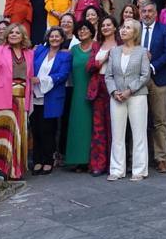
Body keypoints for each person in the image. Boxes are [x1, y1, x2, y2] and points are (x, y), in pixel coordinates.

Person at [0, 23, 33, 180]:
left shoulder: (29, 53)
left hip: (22, 99)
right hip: (2, 96)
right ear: (7, 35)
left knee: (17, 134)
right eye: (11, 32)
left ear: (23, 36)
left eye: (17, 32)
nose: (14, 35)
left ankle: (14, 170)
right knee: (1, 133)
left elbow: (30, 77)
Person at [105, 19, 152, 181]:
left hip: (137, 96)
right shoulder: (114, 51)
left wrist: (129, 90)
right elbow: (108, 75)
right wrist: (114, 91)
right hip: (116, 97)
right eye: (123, 27)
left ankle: (139, 170)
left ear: (135, 33)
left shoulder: (142, 51)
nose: (123, 30)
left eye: (128, 28)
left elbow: (145, 75)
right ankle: (117, 169)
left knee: (139, 134)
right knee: (117, 134)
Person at [138, 1, 166, 173]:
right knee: (138, 120)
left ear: (156, 13)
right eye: (144, 11)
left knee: (160, 120)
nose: (147, 14)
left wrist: (152, 66)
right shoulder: (135, 29)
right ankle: (138, 157)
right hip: (137, 81)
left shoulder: (164, 30)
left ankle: (160, 158)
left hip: (158, 78)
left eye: (150, 11)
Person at [30, 27, 71, 175]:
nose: (54, 38)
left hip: (52, 96)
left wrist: (41, 80)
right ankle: (37, 161)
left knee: (48, 130)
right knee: (36, 130)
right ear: (48, 38)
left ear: (62, 39)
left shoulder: (65, 56)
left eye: (57, 36)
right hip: (34, 96)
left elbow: (63, 74)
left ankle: (48, 161)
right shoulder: (39, 50)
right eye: (51, 36)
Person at [87, 16, 118, 176]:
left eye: (108, 25)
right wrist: (104, 59)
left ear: (114, 27)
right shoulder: (96, 45)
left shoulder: (120, 44)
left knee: (115, 127)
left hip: (115, 87)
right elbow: (90, 66)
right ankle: (99, 164)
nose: (105, 27)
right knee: (98, 127)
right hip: (98, 87)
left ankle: (115, 164)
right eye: (103, 25)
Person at [64, 20, 95, 172]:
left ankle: (91, 159)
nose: (82, 32)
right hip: (77, 92)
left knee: (92, 126)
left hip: (93, 92)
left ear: (91, 31)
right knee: (77, 125)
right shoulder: (73, 50)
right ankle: (77, 159)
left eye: (85, 29)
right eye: (80, 30)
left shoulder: (96, 48)